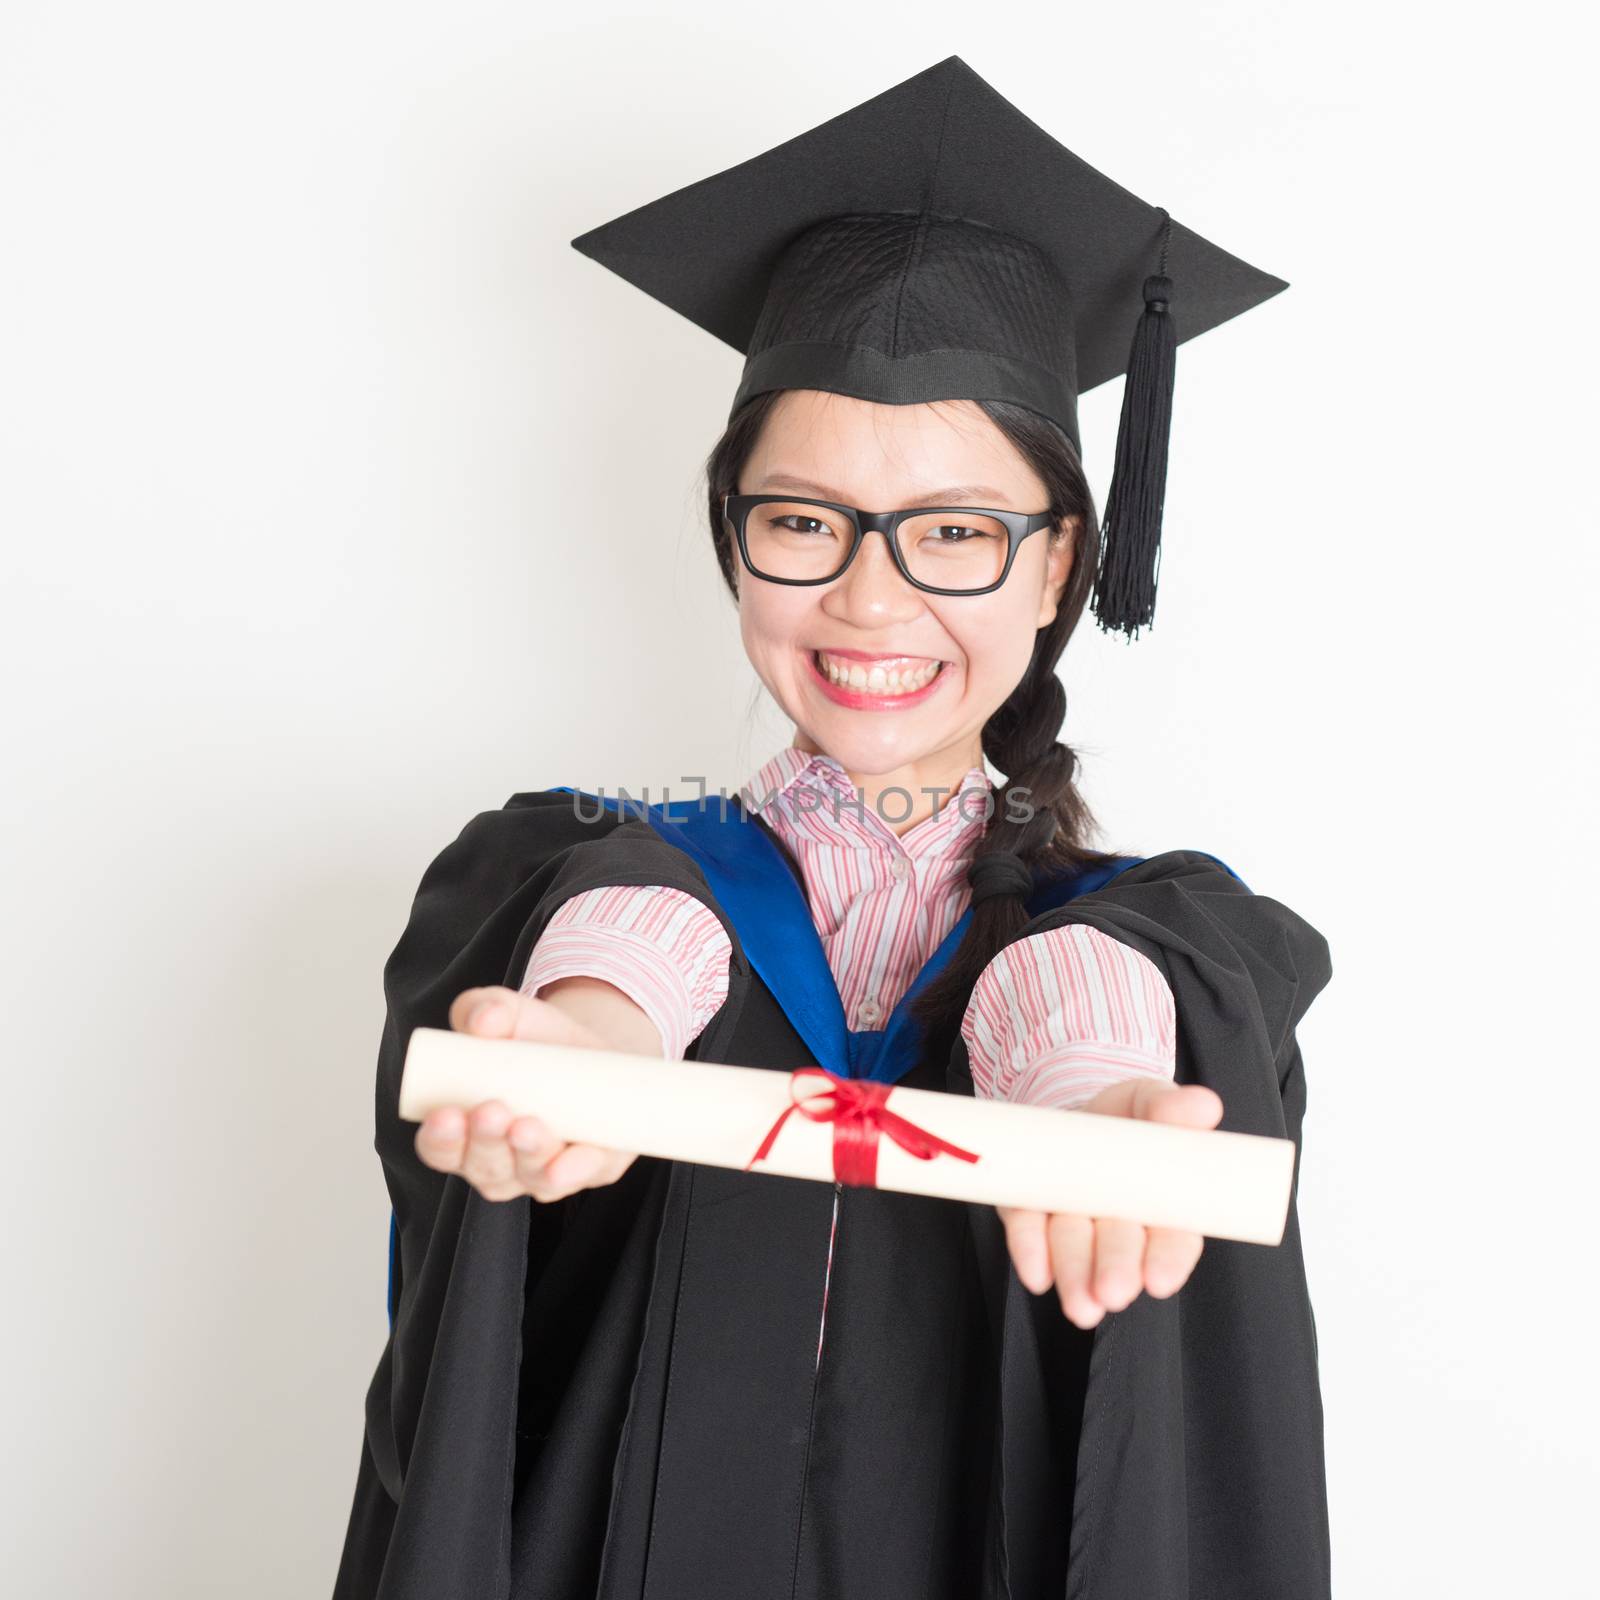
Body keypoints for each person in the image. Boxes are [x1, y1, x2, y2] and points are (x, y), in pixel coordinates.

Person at [334, 56, 1334, 1600]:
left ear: (1063, 560)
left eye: (953, 533)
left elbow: (1098, 996)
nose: (869, 600)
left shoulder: (1152, 941)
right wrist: (596, 1034)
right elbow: (630, 927)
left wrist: (1086, 1085)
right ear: (730, 532)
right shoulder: (589, 874)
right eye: (801, 521)